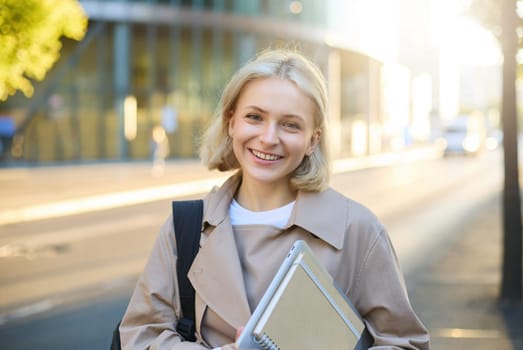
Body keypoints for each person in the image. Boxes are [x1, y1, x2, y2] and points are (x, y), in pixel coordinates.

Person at [119, 49, 430, 349]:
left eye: (290, 124)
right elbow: (140, 335)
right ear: (231, 123)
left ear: (313, 139)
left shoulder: (358, 231)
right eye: (254, 117)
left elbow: (404, 343)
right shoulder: (185, 228)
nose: (268, 138)